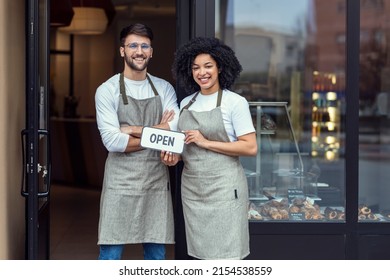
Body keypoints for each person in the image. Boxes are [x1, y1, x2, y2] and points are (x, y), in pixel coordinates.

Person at [162, 37, 257, 259]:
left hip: (225, 188)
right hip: (194, 190)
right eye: (195, 68)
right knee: (201, 254)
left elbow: (250, 147)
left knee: (228, 254)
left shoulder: (235, 102)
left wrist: (205, 141)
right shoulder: (186, 103)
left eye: (208, 66)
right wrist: (173, 158)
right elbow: (184, 148)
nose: (201, 73)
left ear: (220, 67)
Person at [95, 23, 179, 260]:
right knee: (110, 254)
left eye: (144, 46)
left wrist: (134, 130)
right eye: (133, 45)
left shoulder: (164, 88)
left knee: (156, 256)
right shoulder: (107, 90)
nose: (139, 51)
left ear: (151, 51)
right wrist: (159, 133)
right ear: (122, 50)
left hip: (155, 181)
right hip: (120, 184)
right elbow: (113, 142)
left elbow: (175, 132)